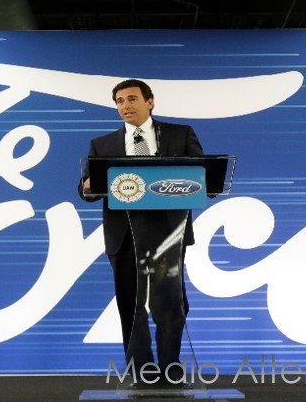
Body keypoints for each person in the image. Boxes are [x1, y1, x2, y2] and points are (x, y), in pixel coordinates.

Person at [78, 79, 204, 385]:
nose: (125, 106)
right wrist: (87, 187)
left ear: (150, 102)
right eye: (119, 102)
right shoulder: (102, 145)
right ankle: (141, 373)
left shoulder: (180, 134)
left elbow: (202, 175)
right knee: (132, 307)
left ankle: (171, 369)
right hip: (124, 237)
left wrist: (203, 181)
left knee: (171, 305)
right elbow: (85, 190)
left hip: (168, 234)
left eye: (132, 99)